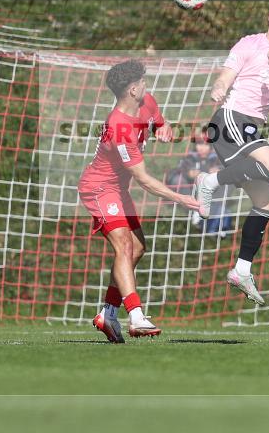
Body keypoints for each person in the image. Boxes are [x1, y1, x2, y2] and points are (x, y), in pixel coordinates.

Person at [194, 0, 269, 306]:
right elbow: (226, 75)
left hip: (249, 127)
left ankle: (242, 269)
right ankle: (211, 182)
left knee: (266, 202)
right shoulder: (248, 43)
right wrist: (218, 87)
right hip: (230, 118)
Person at [77, 60, 200, 342]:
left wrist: (163, 128)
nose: (147, 85)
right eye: (143, 81)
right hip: (99, 188)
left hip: (118, 189)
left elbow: (158, 121)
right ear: (133, 89)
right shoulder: (118, 127)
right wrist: (181, 198)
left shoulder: (147, 102)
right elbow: (144, 179)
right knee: (123, 245)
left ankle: (108, 314)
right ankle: (136, 317)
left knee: (138, 249)